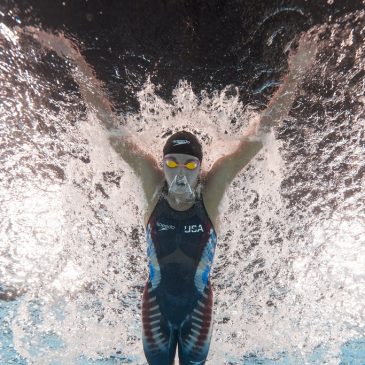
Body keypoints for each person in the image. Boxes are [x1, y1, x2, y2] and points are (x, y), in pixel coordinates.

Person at [27, 27, 317, 364]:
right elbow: (109, 128)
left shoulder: (212, 190)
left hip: (198, 311)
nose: (181, 172)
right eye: (173, 162)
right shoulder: (153, 185)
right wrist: (73, 59)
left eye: (190, 163)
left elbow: (260, 132)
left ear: (201, 166)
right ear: (162, 164)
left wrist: (295, 75)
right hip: (156, 309)